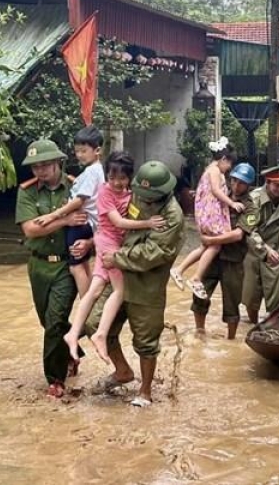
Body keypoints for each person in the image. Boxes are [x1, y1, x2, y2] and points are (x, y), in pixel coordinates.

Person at [62, 151, 165, 364]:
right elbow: (118, 222)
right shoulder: (104, 192)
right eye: (112, 177)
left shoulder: (130, 193)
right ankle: (101, 334)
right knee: (120, 290)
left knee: (95, 289)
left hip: (105, 242)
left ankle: (73, 333)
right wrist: (148, 224)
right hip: (108, 244)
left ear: (129, 177)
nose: (117, 182)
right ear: (107, 176)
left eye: (122, 178)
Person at [104, 160, 185, 408]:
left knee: (146, 341)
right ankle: (122, 371)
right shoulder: (136, 195)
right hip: (119, 278)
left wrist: (117, 257)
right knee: (96, 325)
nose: (144, 200)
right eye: (142, 193)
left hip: (147, 285)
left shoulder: (173, 215)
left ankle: (145, 391)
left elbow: (154, 252)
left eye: (151, 197)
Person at [16, 139, 92, 398]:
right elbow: (30, 229)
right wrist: (65, 220)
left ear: (58, 162)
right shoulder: (27, 191)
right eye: (35, 167)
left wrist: (89, 242)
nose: (40, 171)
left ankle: (55, 379)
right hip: (38, 265)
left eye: (45, 165)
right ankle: (72, 351)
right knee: (46, 321)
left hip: (67, 265)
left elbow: (92, 220)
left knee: (55, 321)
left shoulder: (76, 186)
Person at [32, 126, 105, 299]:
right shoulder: (97, 170)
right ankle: (90, 303)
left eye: (83, 151)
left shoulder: (91, 172)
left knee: (75, 267)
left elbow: (80, 200)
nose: (79, 155)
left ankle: (86, 303)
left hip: (81, 223)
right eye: (77, 151)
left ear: (97, 151)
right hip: (89, 224)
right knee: (84, 264)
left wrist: (53, 215)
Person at [191, 162, 257, 340]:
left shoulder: (250, 208)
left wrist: (211, 240)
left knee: (232, 302)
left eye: (241, 183)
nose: (236, 185)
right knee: (199, 294)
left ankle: (231, 339)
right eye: (234, 180)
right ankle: (199, 332)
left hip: (233, 260)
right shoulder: (221, 195)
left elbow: (238, 235)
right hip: (212, 257)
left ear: (248, 185)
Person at [170, 138, 242, 300]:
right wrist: (232, 203)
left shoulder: (208, 170)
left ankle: (179, 269)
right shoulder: (215, 171)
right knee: (215, 246)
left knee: (205, 246)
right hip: (212, 214)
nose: (229, 168)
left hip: (206, 214)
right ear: (223, 159)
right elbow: (216, 191)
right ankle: (196, 278)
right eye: (229, 164)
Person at [242, 165, 279, 324]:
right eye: (277, 185)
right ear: (267, 182)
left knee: (277, 298)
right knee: (251, 296)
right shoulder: (253, 199)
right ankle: (253, 325)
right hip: (252, 250)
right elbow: (248, 230)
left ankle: (274, 326)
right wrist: (265, 249)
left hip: (276, 252)